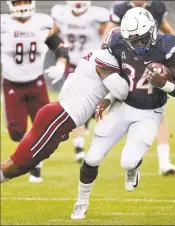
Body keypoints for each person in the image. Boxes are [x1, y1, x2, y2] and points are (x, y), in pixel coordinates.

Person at [71, 7, 175, 220]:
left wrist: (165, 85)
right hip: (122, 105)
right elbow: (118, 80)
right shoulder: (117, 41)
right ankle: (81, 201)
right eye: (133, 41)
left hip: (150, 112)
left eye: (142, 40)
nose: (138, 46)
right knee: (93, 156)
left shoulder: (167, 45)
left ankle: (133, 169)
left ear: (152, 31)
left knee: (128, 161)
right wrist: (107, 99)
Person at [0, 49, 129, 184]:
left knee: (20, 165)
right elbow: (123, 92)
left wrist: (108, 99)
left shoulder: (99, 55)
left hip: (59, 117)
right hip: (59, 117)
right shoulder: (107, 60)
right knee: (17, 165)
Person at [103, 0, 175, 176]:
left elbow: (166, 29)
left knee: (158, 111)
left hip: (153, 61)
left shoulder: (157, 7)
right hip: (129, 62)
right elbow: (109, 33)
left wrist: (174, 48)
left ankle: (164, 162)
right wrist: (105, 53)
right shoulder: (121, 9)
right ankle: (132, 158)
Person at [1, 0, 69, 183]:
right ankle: (29, 155)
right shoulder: (4, 24)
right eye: (18, 1)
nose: (22, 5)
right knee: (16, 132)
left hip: (36, 82)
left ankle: (35, 165)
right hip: (12, 84)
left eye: (25, 1)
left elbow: (60, 46)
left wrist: (60, 66)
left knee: (45, 127)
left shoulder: (42, 22)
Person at [50, 1, 110, 163]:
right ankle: (78, 146)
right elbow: (50, 34)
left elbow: (108, 34)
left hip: (93, 65)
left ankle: (85, 124)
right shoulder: (60, 14)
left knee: (91, 105)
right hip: (72, 63)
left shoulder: (98, 15)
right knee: (75, 104)